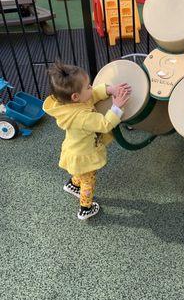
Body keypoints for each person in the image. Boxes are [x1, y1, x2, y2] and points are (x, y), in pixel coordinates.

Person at [43, 61, 131, 220]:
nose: (91, 88)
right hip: (84, 155)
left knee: (80, 174)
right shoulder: (82, 117)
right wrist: (116, 107)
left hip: (75, 151)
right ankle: (86, 208)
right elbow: (105, 124)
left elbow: (93, 95)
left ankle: (73, 185)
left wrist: (109, 89)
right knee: (88, 181)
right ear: (75, 96)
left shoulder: (73, 103)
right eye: (88, 86)